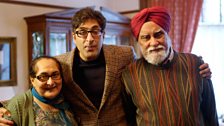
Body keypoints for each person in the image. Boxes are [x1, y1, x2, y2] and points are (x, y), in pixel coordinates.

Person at [0, 7, 212, 126]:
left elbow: (153, 70)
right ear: (74, 36)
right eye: (82, 32)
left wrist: (198, 68)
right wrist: (3, 109)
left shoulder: (124, 55)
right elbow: (39, 88)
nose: (89, 39)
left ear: (103, 34)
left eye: (95, 32)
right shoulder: (61, 63)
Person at [121, 6, 219, 125]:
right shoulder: (130, 74)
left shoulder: (195, 64)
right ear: (138, 42)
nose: (153, 42)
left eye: (158, 34)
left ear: (167, 34)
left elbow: (210, 112)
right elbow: (130, 119)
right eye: (145, 38)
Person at [2, 56, 78, 126]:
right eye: (43, 77)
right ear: (32, 80)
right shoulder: (19, 105)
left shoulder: (68, 99)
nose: (50, 82)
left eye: (55, 75)